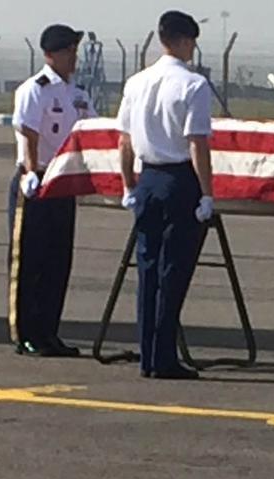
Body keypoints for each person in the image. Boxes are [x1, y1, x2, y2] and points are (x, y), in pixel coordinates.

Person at [117, 10, 215, 380]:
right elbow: (197, 144)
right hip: (179, 181)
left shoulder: (136, 82)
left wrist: (128, 185)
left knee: (148, 271)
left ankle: (149, 355)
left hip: (148, 179)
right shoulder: (193, 85)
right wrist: (207, 194)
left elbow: (124, 141)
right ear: (186, 41)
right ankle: (164, 357)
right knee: (173, 271)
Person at [9, 24, 95, 357]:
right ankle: (26, 333)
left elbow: (89, 131)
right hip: (36, 180)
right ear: (49, 55)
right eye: (66, 51)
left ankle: (49, 331)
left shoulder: (78, 93)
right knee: (31, 259)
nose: (73, 57)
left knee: (59, 260)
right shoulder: (35, 89)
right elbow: (28, 133)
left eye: (74, 50)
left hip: (63, 181)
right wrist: (31, 173)